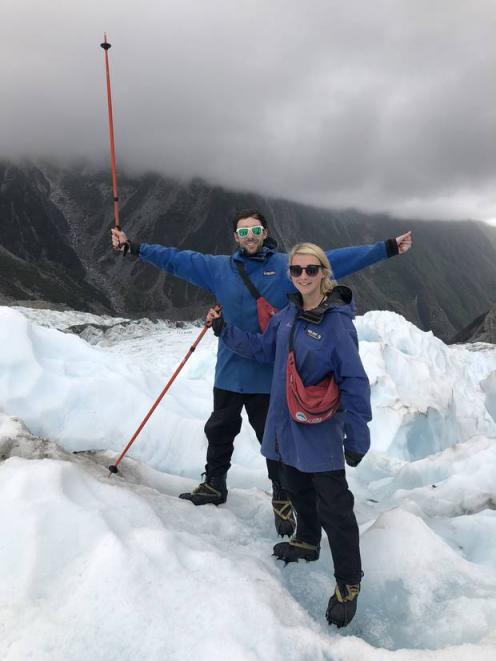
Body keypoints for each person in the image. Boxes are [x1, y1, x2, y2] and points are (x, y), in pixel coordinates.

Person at [111, 210, 411, 538]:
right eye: (243, 231)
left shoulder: (288, 266)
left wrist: (386, 248)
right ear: (235, 237)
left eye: (255, 230)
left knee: (274, 441)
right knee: (220, 429)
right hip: (230, 371)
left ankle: (281, 494)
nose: (250, 236)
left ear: (265, 231)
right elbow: (176, 260)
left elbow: (335, 260)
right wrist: (134, 248)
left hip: (270, 374)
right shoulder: (219, 268)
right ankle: (215, 483)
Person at [206, 242, 371, 628]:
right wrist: (223, 331)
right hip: (285, 426)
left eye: (310, 270)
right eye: (295, 270)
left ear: (324, 272)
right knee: (294, 486)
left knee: (336, 507)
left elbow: (354, 380)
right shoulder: (287, 315)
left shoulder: (337, 324)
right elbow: (263, 349)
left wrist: (357, 434)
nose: (302, 277)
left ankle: (349, 582)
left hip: (319, 430)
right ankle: (307, 540)